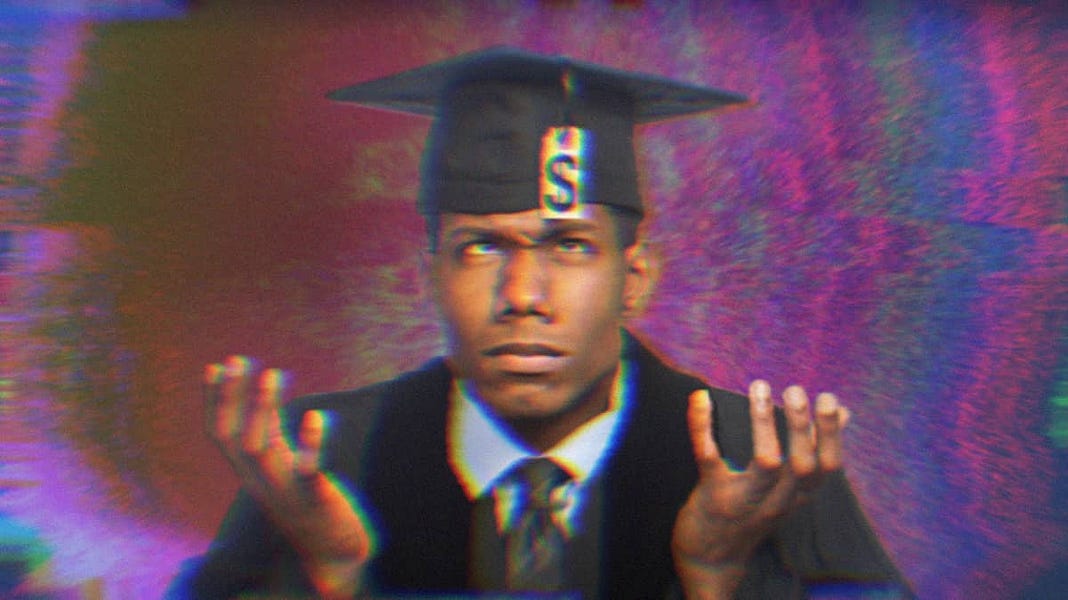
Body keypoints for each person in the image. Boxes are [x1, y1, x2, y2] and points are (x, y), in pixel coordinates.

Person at [168, 47, 911, 599]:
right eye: (481, 247)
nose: (523, 294)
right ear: (432, 275)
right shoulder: (318, 459)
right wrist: (333, 578)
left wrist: (719, 576)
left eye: (570, 246)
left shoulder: (763, 462)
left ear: (636, 278)